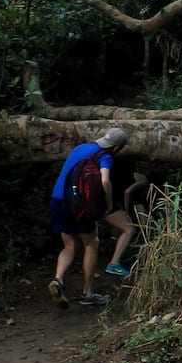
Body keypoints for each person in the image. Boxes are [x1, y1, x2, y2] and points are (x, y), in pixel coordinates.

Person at [48, 127, 137, 309]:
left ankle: (58, 280)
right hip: (79, 205)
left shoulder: (80, 148)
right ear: (116, 148)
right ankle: (87, 293)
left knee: (69, 245)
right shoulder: (106, 156)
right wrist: (109, 204)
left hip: (58, 200)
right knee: (91, 244)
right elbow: (104, 180)